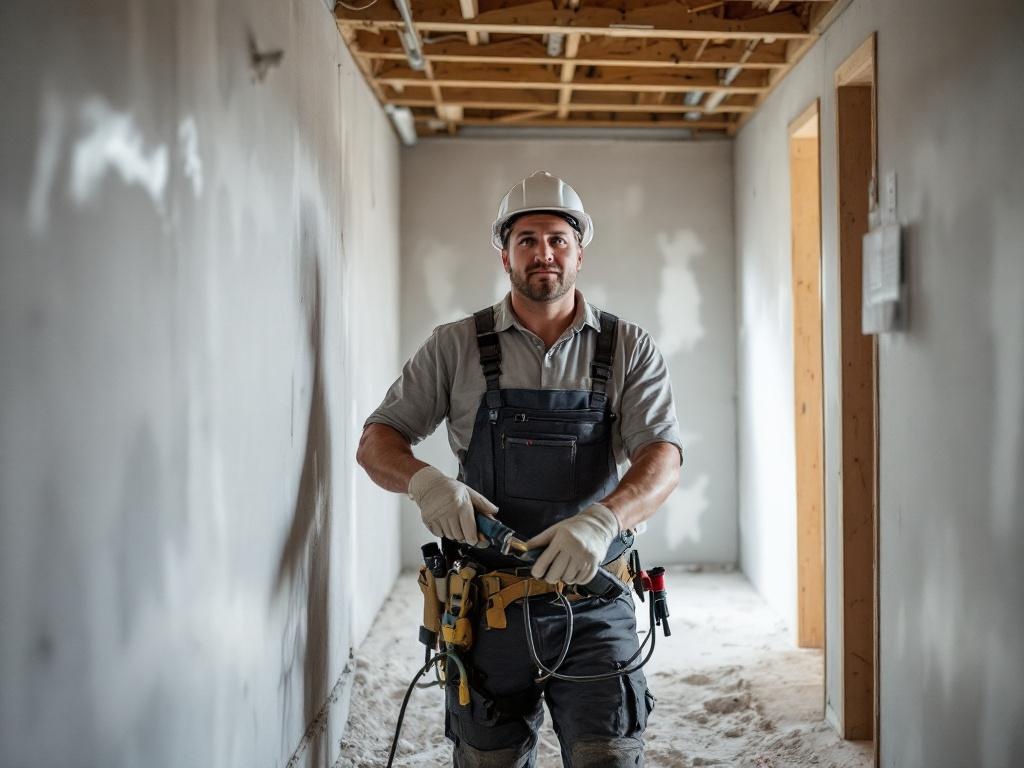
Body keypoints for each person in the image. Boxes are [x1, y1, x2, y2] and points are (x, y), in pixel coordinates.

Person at [357, 170, 683, 767]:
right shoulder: (455, 346)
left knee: (607, 757)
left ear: (580, 250)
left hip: (593, 603)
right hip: (488, 609)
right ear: (503, 253)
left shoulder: (628, 347)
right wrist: (426, 482)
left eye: (558, 239)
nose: (544, 254)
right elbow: (378, 440)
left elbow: (661, 458)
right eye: (527, 239)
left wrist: (603, 521)